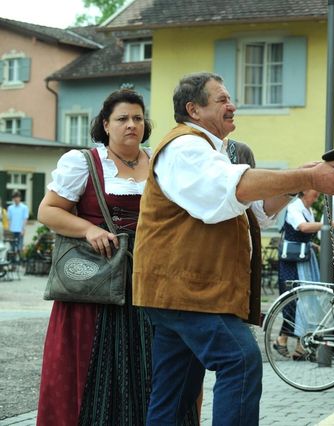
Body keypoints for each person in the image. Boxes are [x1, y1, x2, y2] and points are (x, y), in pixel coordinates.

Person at [132, 72, 334, 425]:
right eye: (222, 99)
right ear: (193, 109)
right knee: (239, 358)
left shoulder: (208, 150)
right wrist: (309, 178)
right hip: (187, 291)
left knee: (174, 392)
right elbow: (236, 189)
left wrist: (300, 180)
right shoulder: (185, 146)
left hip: (180, 291)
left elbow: (257, 211)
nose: (232, 105)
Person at [35, 89, 189, 425]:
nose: (131, 124)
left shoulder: (161, 162)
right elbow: (48, 211)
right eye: (122, 119)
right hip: (99, 286)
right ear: (106, 124)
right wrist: (88, 230)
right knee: (98, 371)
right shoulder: (84, 162)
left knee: (156, 368)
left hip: (152, 282)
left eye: (137, 118)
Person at [273, 189, 334, 358]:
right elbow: (302, 227)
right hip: (293, 261)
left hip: (305, 257)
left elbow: (303, 234)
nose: (317, 194)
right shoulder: (294, 208)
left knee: (307, 300)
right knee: (295, 300)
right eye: (314, 190)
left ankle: (298, 346)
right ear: (305, 191)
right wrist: (330, 224)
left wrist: (315, 246)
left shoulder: (308, 210)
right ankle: (283, 340)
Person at [7, 190, 29, 257]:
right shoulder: (10, 208)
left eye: (17, 197)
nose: (16, 199)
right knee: (12, 248)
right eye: (14, 197)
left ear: (20, 198)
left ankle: (20, 261)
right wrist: (9, 231)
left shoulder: (24, 207)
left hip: (20, 231)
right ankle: (13, 262)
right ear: (13, 198)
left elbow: (25, 219)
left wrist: (23, 229)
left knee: (20, 248)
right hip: (12, 231)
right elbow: (9, 220)